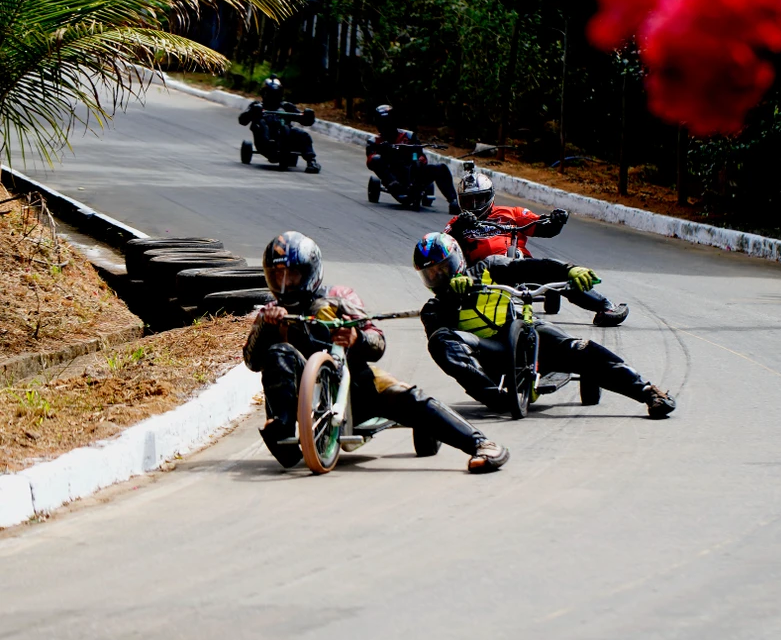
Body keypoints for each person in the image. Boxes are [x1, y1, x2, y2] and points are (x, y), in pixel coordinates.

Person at [243, 231, 509, 474]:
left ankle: (481, 444)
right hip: (302, 392)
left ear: (310, 272)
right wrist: (266, 328)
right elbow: (252, 361)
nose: (285, 283)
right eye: (278, 276)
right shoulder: (270, 312)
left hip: (355, 382)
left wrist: (356, 338)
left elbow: (377, 342)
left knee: (407, 397)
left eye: (293, 275)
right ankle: (282, 430)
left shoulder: (339, 296)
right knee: (278, 352)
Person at [412, 232, 676, 418]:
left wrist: (568, 270)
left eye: (443, 269)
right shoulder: (433, 310)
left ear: (457, 261)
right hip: (489, 354)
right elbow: (443, 343)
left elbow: (532, 268)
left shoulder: (489, 267)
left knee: (580, 349)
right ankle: (494, 398)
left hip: (523, 331)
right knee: (439, 340)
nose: (438, 277)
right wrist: (453, 297)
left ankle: (648, 391)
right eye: (431, 274)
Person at [445, 166, 630, 327]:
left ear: (490, 196)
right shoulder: (458, 222)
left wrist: (555, 221)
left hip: (518, 263)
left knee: (557, 272)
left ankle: (605, 307)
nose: (475, 205)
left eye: (479, 198)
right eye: (469, 201)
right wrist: (460, 226)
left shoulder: (511, 213)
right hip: (482, 272)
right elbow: (444, 246)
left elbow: (542, 226)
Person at [366, 104, 460, 213]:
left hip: (413, 173)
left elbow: (420, 154)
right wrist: (383, 152)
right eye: (383, 122)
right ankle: (394, 184)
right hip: (392, 175)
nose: (386, 125)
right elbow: (371, 161)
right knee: (376, 159)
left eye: (388, 121)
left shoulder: (409, 136)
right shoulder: (374, 141)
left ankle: (453, 201)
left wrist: (418, 160)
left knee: (440, 168)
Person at [237, 76, 321, 173]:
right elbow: (242, 120)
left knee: (301, 134)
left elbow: (304, 120)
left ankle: (311, 161)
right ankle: (270, 146)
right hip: (264, 139)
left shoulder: (286, 106)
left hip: (286, 136)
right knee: (260, 124)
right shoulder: (257, 106)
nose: (273, 96)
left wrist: (308, 116)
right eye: (270, 93)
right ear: (264, 93)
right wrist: (252, 112)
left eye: (275, 94)